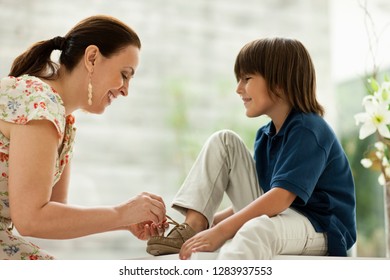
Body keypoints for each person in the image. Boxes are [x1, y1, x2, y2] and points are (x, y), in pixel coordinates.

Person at [146, 37, 357, 259]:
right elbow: (263, 200)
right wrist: (211, 223)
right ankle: (194, 224)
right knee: (225, 140)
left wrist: (221, 231)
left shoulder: (309, 129)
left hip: (321, 226)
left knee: (255, 230)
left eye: (246, 78)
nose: (238, 89)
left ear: (279, 82)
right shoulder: (265, 136)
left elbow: (280, 198)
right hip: (283, 214)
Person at [0, 15, 167, 260]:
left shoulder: (63, 121)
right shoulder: (38, 103)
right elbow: (31, 219)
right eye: (125, 74)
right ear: (92, 58)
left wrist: (125, 221)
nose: (125, 90)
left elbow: (52, 216)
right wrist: (121, 213)